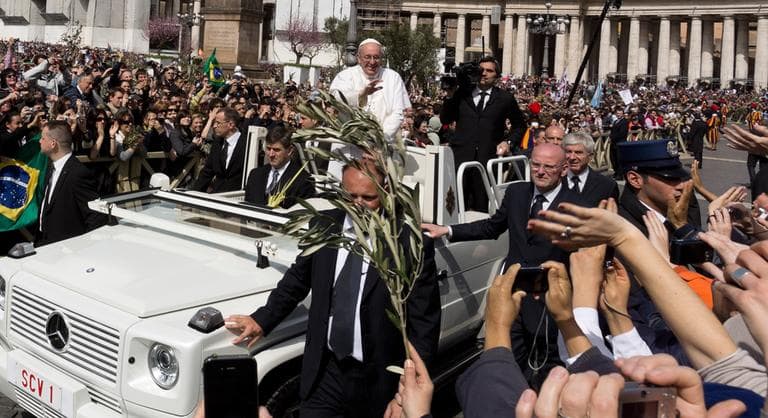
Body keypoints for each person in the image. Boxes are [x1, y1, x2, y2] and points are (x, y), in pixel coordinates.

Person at [225, 162, 440, 418]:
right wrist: (262, 319)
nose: (358, 204)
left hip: (379, 381)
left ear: (386, 192)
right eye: (351, 196)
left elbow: (423, 324)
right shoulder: (324, 226)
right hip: (325, 372)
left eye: (368, 197)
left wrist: (406, 395)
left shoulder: (408, 243)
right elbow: (296, 280)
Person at [422, 143, 584, 387]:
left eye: (548, 167)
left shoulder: (577, 205)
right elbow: (492, 226)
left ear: (563, 170)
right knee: (509, 358)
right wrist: (448, 230)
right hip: (514, 295)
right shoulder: (517, 193)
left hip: (550, 300)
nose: (540, 171)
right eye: (536, 165)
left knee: (547, 365)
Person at [440, 56, 526, 212]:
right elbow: (445, 119)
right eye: (481, 70)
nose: (484, 73)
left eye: (489, 70)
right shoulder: (462, 94)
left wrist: (508, 142)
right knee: (456, 206)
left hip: (488, 161)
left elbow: (520, 125)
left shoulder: (505, 98)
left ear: (497, 75)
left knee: (482, 207)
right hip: (461, 160)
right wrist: (450, 95)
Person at [36, 120, 106, 246]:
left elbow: (95, 216)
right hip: (47, 243)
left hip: (67, 249)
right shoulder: (51, 168)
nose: (39, 141)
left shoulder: (78, 173)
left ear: (53, 144)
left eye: (42, 138)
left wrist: (82, 248)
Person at [329, 38, 410, 141]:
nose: (372, 62)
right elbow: (335, 99)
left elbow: (398, 112)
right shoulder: (345, 76)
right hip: (349, 142)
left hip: (383, 143)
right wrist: (360, 95)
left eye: (376, 57)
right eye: (367, 57)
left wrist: (380, 139)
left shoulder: (393, 77)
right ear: (358, 58)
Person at [244, 125, 314, 209]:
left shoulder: (303, 181)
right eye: (268, 149)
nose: (271, 154)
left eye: (276, 150)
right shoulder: (255, 175)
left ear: (289, 151)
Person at [191, 107, 246, 193]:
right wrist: (193, 194)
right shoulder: (217, 143)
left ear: (231, 125)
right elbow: (207, 172)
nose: (214, 126)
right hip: (217, 195)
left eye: (218, 123)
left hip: (238, 196)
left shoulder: (247, 143)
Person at [608, 107, 628, 179]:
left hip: (620, 143)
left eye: (620, 113)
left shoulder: (625, 122)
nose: (618, 114)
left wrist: (612, 137)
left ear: (622, 114)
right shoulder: (615, 121)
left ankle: (620, 174)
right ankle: (616, 172)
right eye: (617, 113)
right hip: (613, 143)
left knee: (619, 159)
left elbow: (622, 133)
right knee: (613, 158)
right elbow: (613, 131)